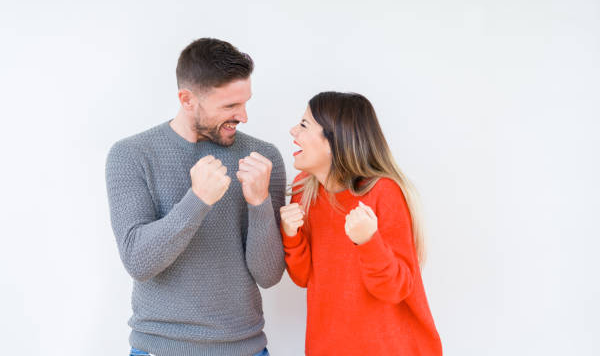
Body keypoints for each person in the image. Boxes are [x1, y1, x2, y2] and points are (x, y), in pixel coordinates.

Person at [105, 38, 286, 356]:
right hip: (159, 349)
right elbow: (138, 261)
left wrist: (258, 203)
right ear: (187, 100)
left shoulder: (262, 157)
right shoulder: (132, 155)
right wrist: (198, 200)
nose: (243, 116)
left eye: (245, 102)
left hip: (245, 348)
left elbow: (269, 275)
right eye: (229, 106)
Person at [280, 91, 443, 355]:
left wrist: (368, 241)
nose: (292, 131)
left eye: (304, 125)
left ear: (335, 139)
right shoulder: (304, 189)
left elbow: (396, 288)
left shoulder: (383, 192)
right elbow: (303, 277)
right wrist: (291, 234)